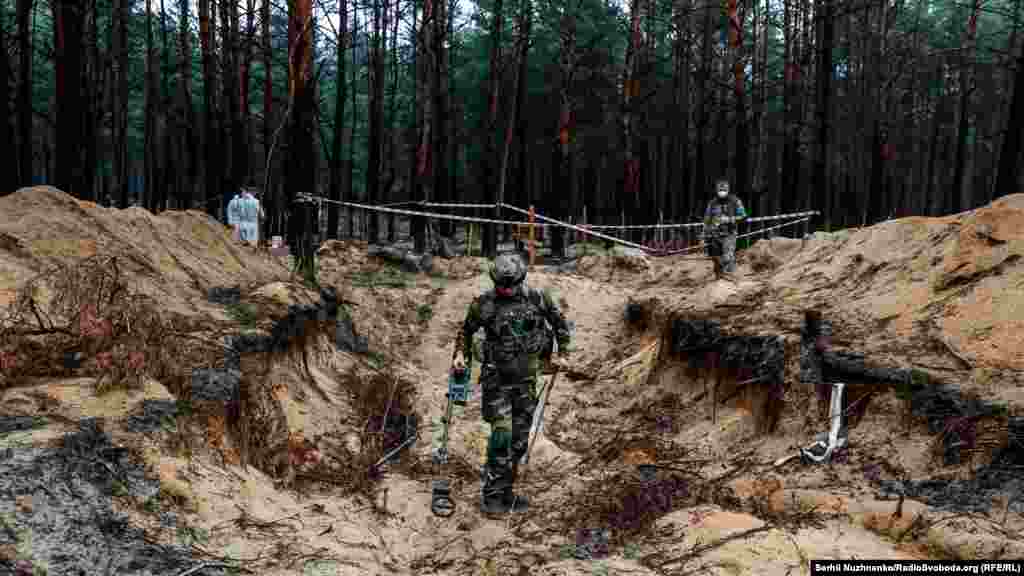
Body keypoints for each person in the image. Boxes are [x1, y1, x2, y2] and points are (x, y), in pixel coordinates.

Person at [451, 253, 572, 514]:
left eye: (510, 284)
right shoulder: (484, 304)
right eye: (501, 285)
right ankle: (492, 497)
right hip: (497, 382)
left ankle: (507, 492)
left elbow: (560, 323)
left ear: (520, 279)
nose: (506, 289)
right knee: (502, 435)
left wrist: (563, 354)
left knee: (518, 441)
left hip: (527, 381)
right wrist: (461, 355)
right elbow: (465, 331)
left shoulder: (537, 298)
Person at [702, 179, 747, 281]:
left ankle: (729, 278)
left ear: (728, 190)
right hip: (714, 235)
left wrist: (730, 219)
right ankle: (718, 279)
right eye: (720, 189)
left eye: (724, 189)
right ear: (717, 190)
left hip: (729, 233)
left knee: (728, 257)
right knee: (716, 258)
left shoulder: (735, 201)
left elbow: (744, 216)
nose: (722, 191)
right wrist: (704, 235)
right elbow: (706, 220)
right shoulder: (712, 203)